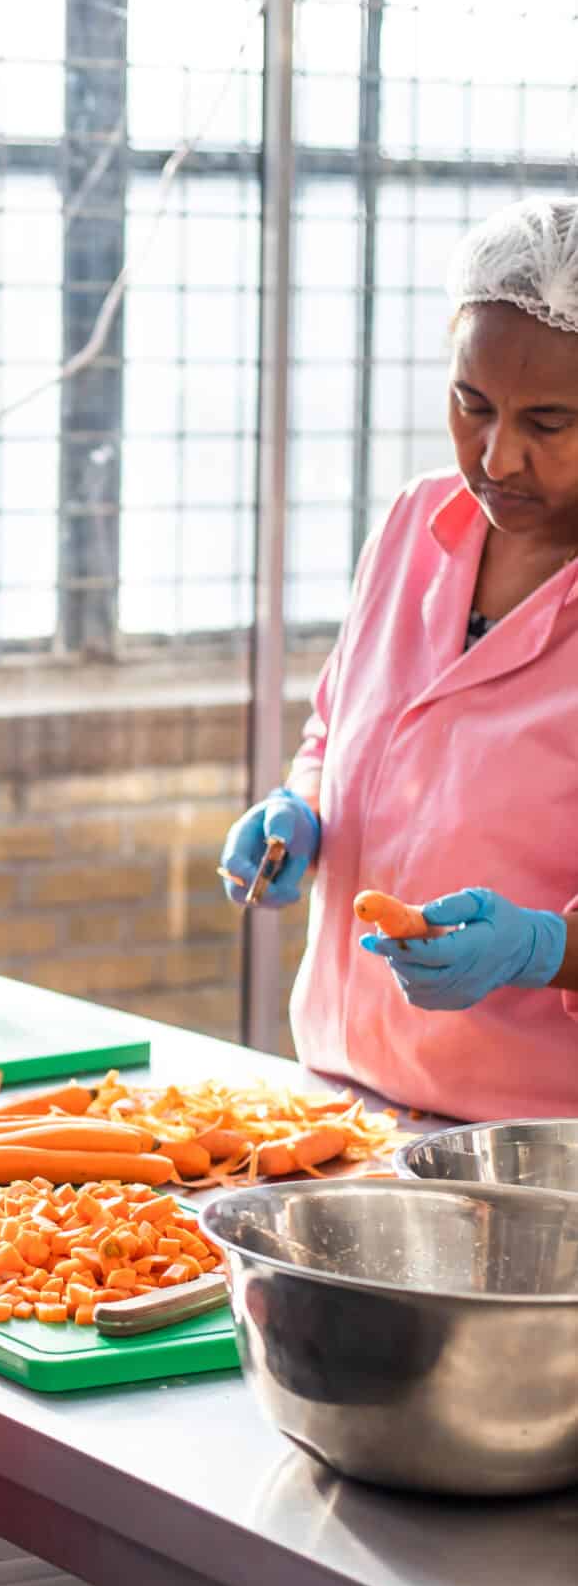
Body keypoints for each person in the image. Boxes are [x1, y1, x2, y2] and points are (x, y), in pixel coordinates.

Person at [222, 196, 578, 1121]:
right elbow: (339, 723)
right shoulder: (417, 524)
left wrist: (544, 949)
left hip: (535, 1148)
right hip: (342, 1098)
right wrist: (299, 805)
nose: (497, 456)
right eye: (471, 405)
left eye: (547, 423)